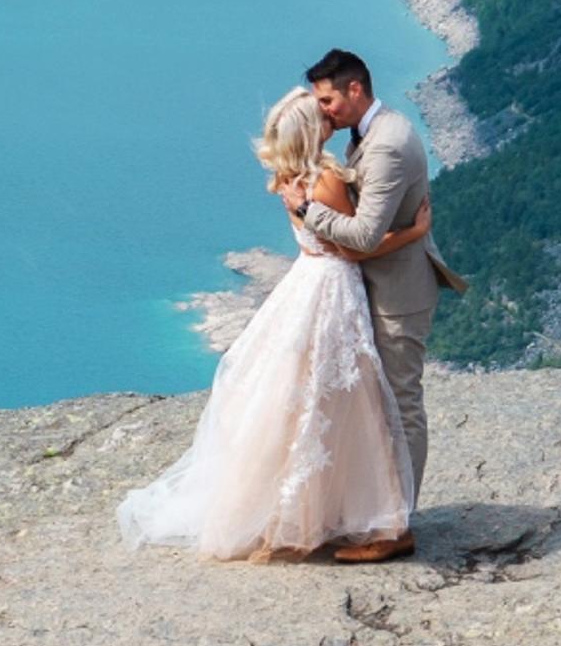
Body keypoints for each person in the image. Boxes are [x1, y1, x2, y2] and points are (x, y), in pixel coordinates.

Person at [114, 86, 432, 561]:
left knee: (303, 400)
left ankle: (308, 510)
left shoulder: (288, 177)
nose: (330, 113)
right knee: (347, 403)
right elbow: (355, 247)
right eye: (320, 111)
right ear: (313, 130)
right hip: (332, 290)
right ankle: (368, 515)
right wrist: (413, 232)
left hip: (304, 284)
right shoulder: (323, 180)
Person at [289, 48, 450, 561]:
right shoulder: (369, 136)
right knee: (378, 408)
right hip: (373, 292)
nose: (324, 111)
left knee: (401, 407)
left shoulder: (386, 146)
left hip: (397, 299)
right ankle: (375, 513)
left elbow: (360, 236)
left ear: (355, 90)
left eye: (329, 99)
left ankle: (397, 527)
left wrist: (307, 210)